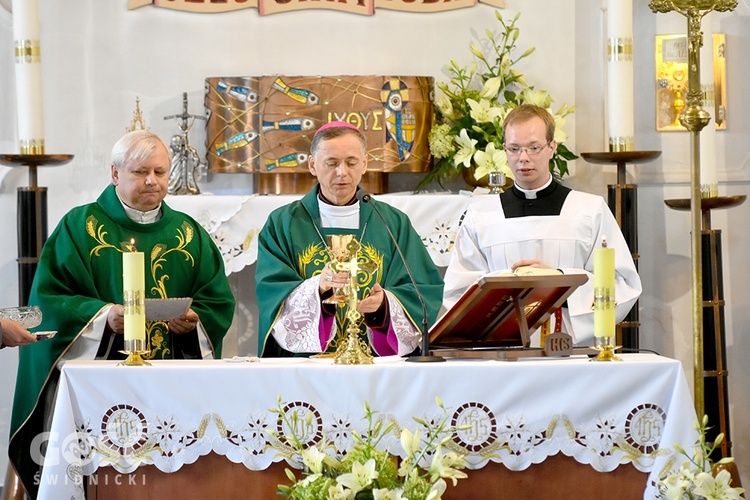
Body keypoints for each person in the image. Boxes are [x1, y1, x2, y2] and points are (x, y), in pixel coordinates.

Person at [9, 130, 235, 498]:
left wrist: (195, 323)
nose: (152, 181)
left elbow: (217, 301)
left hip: (170, 383)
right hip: (101, 386)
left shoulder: (190, 234)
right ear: (115, 174)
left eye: (161, 172)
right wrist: (102, 317)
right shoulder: (80, 227)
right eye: (141, 171)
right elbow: (49, 302)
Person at [443, 104, 642, 344]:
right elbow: (458, 294)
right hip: (501, 351)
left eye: (534, 148)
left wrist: (557, 281)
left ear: (552, 148)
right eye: (514, 149)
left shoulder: (589, 210)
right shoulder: (481, 215)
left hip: (568, 348)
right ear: (504, 150)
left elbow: (621, 285)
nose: (523, 158)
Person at [256, 121, 443, 357]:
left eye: (351, 163)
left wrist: (384, 306)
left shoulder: (392, 222)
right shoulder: (283, 223)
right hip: (307, 366)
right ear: (313, 165)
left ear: (364, 164)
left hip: (374, 365)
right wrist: (319, 288)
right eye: (331, 163)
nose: (342, 172)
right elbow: (271, 292)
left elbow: (422, 289)